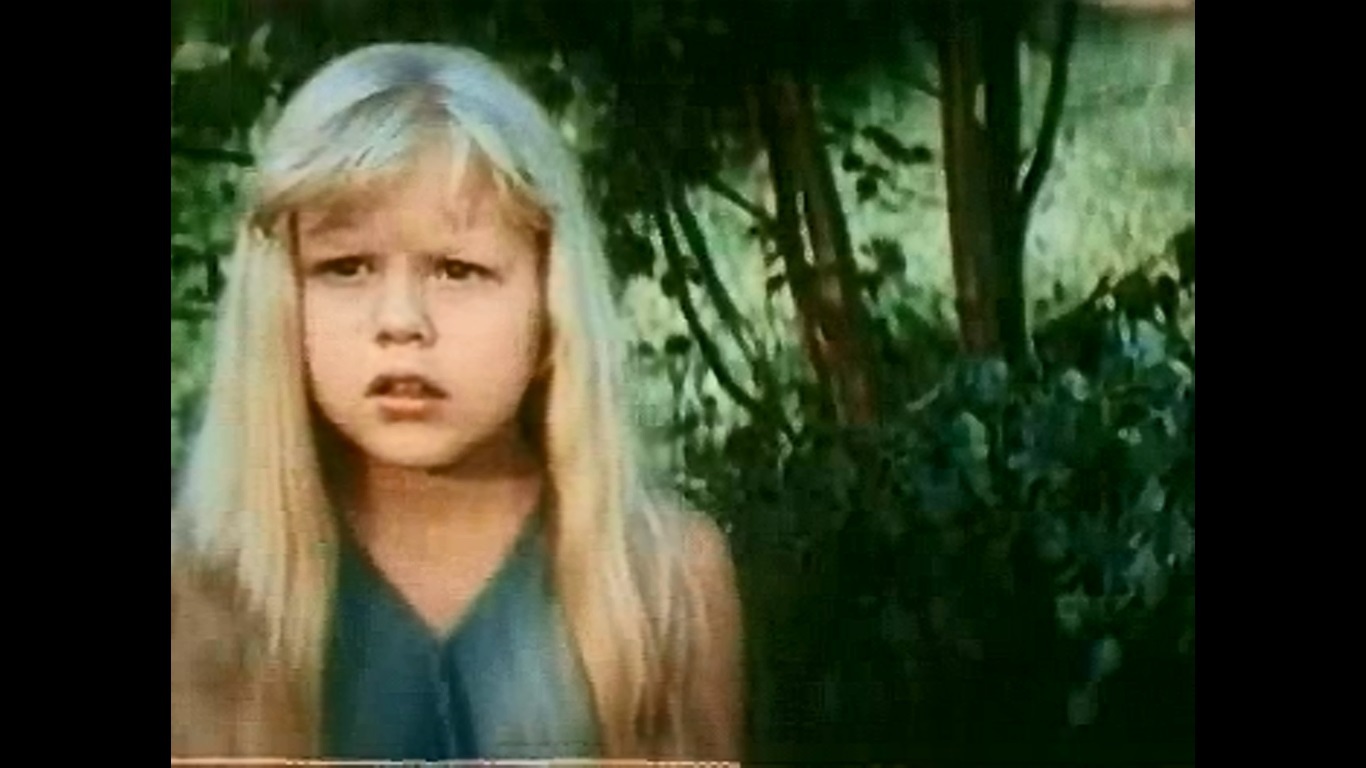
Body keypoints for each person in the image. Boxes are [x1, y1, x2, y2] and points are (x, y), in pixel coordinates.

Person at [170, 42, 742, 763]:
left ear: (550, 298)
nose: (400, 321)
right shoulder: (199, 583)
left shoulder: (664, 578)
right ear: (283, 298)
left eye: (457, 270)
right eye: (346, 267)